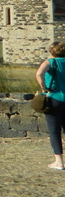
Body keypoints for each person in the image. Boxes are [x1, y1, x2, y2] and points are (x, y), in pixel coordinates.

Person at [35, 42, 65, 170]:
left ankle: (58, 161)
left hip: (54, 98)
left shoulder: (50, 62)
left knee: (54, 131)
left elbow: (39, 73)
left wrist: (44, 88)